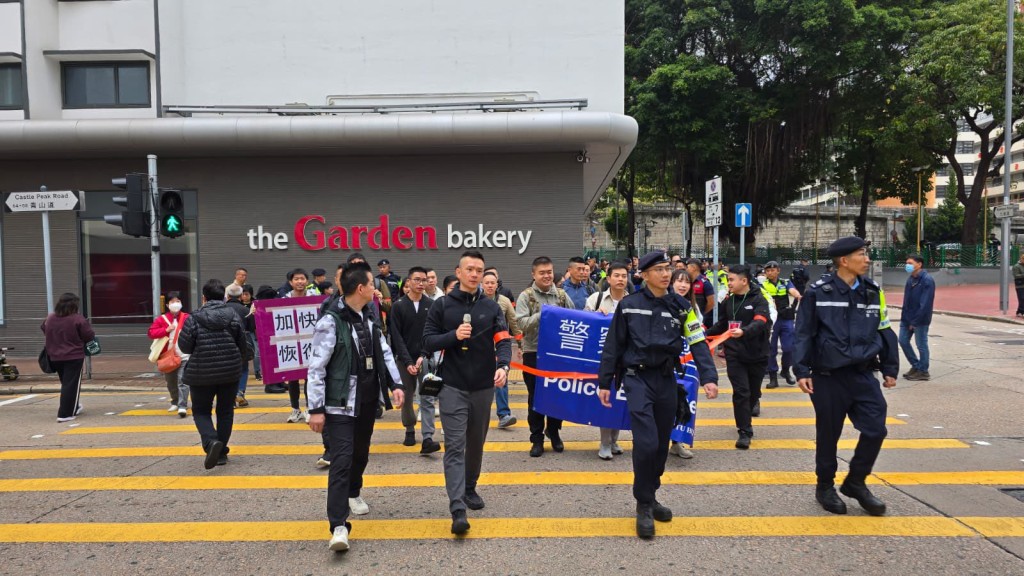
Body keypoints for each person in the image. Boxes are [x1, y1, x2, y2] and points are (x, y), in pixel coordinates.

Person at [597, 251, 719, 539]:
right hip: (637, 379)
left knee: (662, 443)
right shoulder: (629, 305)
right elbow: (613, 346)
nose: (667, 274)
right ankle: (643, 504)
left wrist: (709, 377)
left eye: (669, 269)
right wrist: (605, 382)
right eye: (660, 269)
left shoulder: (681, 306)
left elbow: (698, 341)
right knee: (647, 442)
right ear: (644, 274)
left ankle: (651, 495)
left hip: (666, 380)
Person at [793, 236, 898, 517]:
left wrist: (890, 366)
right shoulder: (818, 291)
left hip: (863, 374)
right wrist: (801, 369)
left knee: (876, 428)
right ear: (843, 260)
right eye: (861, 254)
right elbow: (804, 332)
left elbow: (884, 329)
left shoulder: (873, 291)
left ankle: (855, 482)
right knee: (829, 434)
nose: (867, 259)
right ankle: (825, 485)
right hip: (828, 376)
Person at [306, 261, 406, 552]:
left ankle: (354, 491)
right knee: (341, 460)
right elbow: (316, 368)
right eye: (372, 284)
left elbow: (384, 352)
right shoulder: (329, 322)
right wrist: (315, 409)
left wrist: (395, 385)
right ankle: (338, 525)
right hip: (339, 405)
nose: (376, 288)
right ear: (360, 288)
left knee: (361, 453)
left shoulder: (369, 317)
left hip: (366, 401)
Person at [422, 250, 512, 535]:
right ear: (458, 272)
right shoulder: (442, 305)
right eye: (469, 269)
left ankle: (470, 487)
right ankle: (457, 507)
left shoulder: (491, 307)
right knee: (455, 446)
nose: (474, 274)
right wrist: (453, 336)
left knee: (476, 443)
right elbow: (427, 341)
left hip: (484, 387)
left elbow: (503, 339)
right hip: (452, 386)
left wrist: (505, 365)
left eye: (479, 270)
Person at [178, 279, 250, 470]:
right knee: (225, 410)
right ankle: (221, 452)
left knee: (201, 410)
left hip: (201, 372)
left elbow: (184, 346)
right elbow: (242, 344)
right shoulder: (234, 316)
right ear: (224, 297)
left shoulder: (193, 318)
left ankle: (211, 442)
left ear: (204, 298)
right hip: (229, 371)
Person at [705, 265, 771, 449]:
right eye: (728, 280)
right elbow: (722, 324)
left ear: (744, 281)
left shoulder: (759, 300)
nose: (729, 283)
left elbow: (761, 322)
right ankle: (744, 431)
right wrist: (703, 335)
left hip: (757, 354)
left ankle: (752, 404)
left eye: (732, 279)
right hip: (734, 354)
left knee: (753, 393)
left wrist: (744, 331)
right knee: (741, 392)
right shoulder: (729, 301)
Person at [516, 255, 574, 457]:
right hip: (534, 353)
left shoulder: (562, 295)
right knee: (536, 397)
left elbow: (576, 318)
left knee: (557, 395)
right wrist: (545, 313)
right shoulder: (526, 296)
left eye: (549, 272)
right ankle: (537, 438)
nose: (547, 276)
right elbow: (521, 324)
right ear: (534, 274)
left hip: (558, 353)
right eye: (542, 273)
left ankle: (554, 431)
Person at [388, 266, 440, 454]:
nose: (421, 283)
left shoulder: (432, 305)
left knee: (428, 397)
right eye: (417, 280)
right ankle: (409, 429)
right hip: (404, 361)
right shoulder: (399, 306)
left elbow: (433, 333)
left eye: (424, 280)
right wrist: (408, 361)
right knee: (407, 397)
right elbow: (396, 336)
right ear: (408, 282)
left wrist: (423, 355)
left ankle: (428, 437)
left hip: (427, 360)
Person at [584, 261, 629, 460]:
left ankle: (614, 439)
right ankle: (604, 442)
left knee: (620, 400)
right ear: (608, 278)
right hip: (603, 358)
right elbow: (583, 325)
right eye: (617, 275)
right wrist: (595, 317)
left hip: (627, 360)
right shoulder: (596, 299)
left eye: (624, 276)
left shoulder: (633, 300)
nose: (621, 279)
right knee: (607, 398)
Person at [42, 293, 95, 423]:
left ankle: (74, 406)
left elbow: (44, 328)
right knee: (71, 384)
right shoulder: (77, 319)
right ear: (74, 305)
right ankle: (65, 414)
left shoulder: (50, 318)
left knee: (67, 383)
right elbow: (89, 335)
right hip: (73, 355)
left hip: (54, 355)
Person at [482, 270, 521, 429]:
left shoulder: (504, 301)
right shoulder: (475, 300)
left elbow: (514, 323)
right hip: (481, 348)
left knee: (501, 378)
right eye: (487, 283)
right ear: (482, 284)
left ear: (497, 284)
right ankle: (479, 415)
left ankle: (504, 414)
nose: (490, 285)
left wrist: (520, 346)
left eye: (493, 283)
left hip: (499, 347)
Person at [667, 268, 698, 459]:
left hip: (686, 364)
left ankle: (677, 442)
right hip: (666, 362)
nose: (683, 285)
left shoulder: (691, 307)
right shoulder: (664, 303)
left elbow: (697, 336)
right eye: (679, 281)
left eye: (686, 282)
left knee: (684, 402)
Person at [284, 268, 320, 423]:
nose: (300, 282)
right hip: (292, 342)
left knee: (308, 377)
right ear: (291, 282)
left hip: (310, 342)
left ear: (307, 281)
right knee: (292, 378)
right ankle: (295, 409)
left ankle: (308, 408)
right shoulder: (284, 298)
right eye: (296, 279)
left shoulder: (315, 297)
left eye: (302, 279)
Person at [148, 292, 191, 416]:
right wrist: (165, 330)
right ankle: (175, 401)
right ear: (167, 304)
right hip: (168, 356)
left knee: (182, 381)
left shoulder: (187, 317)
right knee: (171, 381)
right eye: (172, 302)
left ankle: (182, 406)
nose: (175, 304)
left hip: (184, 356)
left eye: (177, 301)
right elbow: (151, 333)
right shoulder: (162, 319)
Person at [762, 261, 801, 389]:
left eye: (773, 270)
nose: (770, 273)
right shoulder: (762, 284)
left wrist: (798, 296)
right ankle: (773, 376)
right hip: (771, 319)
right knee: (771, 349)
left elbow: (793, 291)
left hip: (786, 318)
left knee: (789, 347)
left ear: (778, 270)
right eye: (767, 271)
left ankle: (785, 370)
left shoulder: (785, 282)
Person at [900, 254, 935, 381]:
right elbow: (907, 301)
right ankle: (916, 366)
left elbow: (925, 304)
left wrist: (915, 321)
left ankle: (923, 371)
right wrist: (905, 318)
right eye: (906, 263)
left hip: (920, 319)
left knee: (921, 344)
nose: (907, 265)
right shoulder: (911, 279)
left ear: (919, 264)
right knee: (903, 341)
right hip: (907, 318)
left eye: (910, 263)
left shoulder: (927, 280)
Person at [225, 283, 253, 407]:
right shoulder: (245, 310)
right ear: (241, 296)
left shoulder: (222, 309)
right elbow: (252, 327)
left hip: (225, 343)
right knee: (243, 369)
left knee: (228, 369)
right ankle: (240, 393)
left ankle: (229, 397)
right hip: (242, 343)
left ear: (227, 296)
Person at [686, 259, 716, 328]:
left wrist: (701, 313)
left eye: (687, 267)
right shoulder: (687, 281)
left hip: (700, 320)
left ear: (693, 268)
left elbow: (711, 303)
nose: (686, 269)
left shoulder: (705, 282)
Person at [240, 285, 261, 381]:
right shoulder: (238, 304)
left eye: (246, 294)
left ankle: (257, 371)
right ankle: (242, 371)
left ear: (251, 294)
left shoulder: (255, 304)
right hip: (241, 331)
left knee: (257, 352)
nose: (244, 296)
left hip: (253, 331)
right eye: (242, 294)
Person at [1013, 253, 1024, 317]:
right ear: (1022, 259)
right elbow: (1016, 275)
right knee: (1022, 298)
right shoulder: (1016, 266)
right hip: (1020, 285)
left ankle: (1019, 311)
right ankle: (1021, 311)